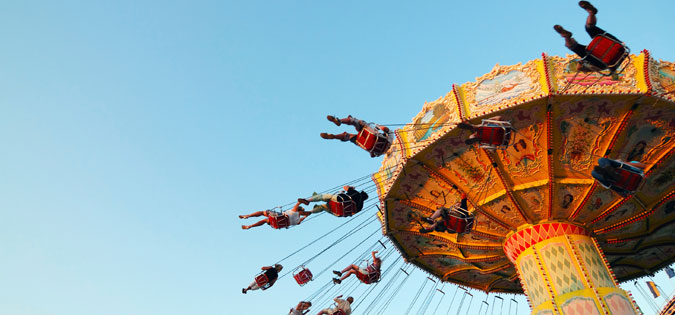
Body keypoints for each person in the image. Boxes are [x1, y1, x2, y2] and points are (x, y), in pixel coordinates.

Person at [553, 1, 624, 72]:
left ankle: (567, 37)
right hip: (615, 47)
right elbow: (591, 68)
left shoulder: (595, 62)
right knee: (589, 29)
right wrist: (582, 67)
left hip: (611, 51)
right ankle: (591, 12)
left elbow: (592, 68)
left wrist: (582, 66)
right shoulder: (597, 63)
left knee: (578, 46)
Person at [320, 115, 394, 157]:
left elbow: (386, 130)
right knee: (350, 136)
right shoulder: (382, 150)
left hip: (371, 137)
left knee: (357, 122)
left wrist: (379, 127)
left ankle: (340, 121)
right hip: (370, 145)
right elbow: (372, 155)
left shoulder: (389, 140)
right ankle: (334, 136)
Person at [298, 186, 368, 217]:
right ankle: (310, 212)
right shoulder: (360, 207)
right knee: (322, 207)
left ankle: (308, 200)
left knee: (324, 197)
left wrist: (350, 188)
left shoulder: (357, 194)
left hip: (338, 201)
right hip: (338, 212)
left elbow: (345, 187)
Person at [239, 201, 311, 230]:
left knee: (263, 212)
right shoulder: (298, 221)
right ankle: (250, 226)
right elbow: (303, 218)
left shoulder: (294, 211)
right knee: (265, 220)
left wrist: (301, 202)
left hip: (278, 217)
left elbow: (298, 203)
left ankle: (248, 216)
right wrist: (306, 215)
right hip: (278, 224)